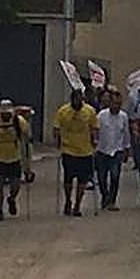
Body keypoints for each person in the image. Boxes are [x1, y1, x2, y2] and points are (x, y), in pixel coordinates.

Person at [54, 89, 99, 218]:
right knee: (68, 179)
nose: (79, 102)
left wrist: (95, 139)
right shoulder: (63, 111)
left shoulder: (89, 111)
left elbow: (94, 127)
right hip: (68, 150)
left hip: (85, 151)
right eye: (77, 99)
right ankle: (68, 200)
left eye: (81, 99)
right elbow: (56, 127)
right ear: (72, 99)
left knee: (82, 180)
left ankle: (78, 205)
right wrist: (57, 140)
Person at [0, 99, 30, 222]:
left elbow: (26, 136)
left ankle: (11, 199)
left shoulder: (18, 121)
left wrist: (27, 164)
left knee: (16, 184)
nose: (6, 115)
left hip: (15, 155)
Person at [96, 89, 131, 211]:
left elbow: (126, 133)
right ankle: (105, 196)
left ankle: (112, 200)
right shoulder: (101, 115)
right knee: (101, 177)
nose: (116, 106)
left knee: (115, 176)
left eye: (119, 104)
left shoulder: (123, 117)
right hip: (102, 150)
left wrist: (127, 148)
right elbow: (96, 131)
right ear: (109, 103)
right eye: (114, 103)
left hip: (117, 150)